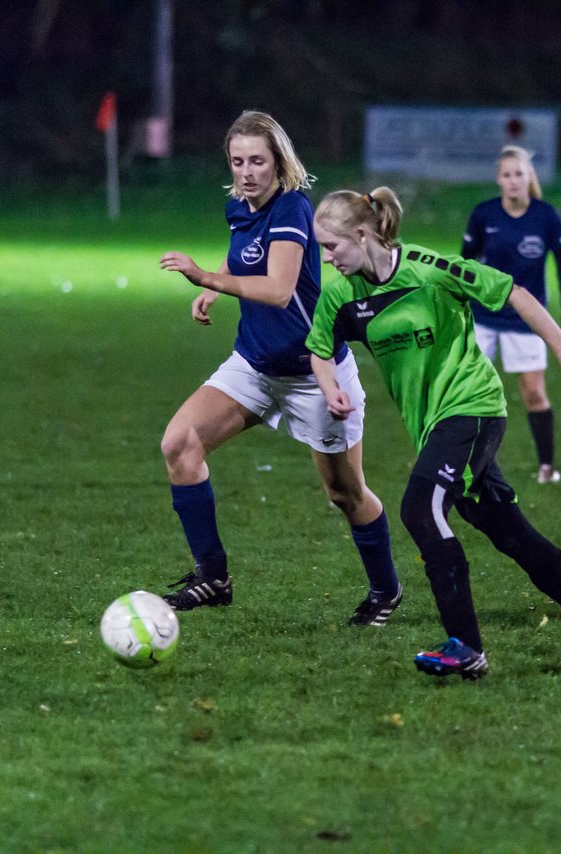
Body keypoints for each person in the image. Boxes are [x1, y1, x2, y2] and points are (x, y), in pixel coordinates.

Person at [305, 187, 561, 679]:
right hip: (432, 424)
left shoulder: (430, 269)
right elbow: (319, 348)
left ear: (363, 233)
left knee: (420, 508)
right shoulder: (341, 296)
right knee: (512, 536)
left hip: (473, 408)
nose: (327, 259)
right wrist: (330, 389)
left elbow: (515, 293)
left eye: (332, 247)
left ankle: (466, 646)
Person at [156, 111, 401, 627]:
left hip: (316, 373)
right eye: (238, 161)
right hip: (255, 364)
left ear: (279, 162)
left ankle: (385, 590)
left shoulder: (292, 207)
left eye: (258, 161)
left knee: (345, 493)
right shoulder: (239, 207)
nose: (247, 172)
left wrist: (204, 277)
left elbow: (278, 287)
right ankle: (213, 577)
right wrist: (214, 286)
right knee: (179, 444)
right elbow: (244, 254)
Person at [461, 145, 561, 485]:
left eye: (519, 174)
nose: (513, 181)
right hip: (483, 318)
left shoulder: (546, 216)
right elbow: (463, 266)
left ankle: (546, 466)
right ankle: (467, 463)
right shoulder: (483, 215)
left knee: (533, 393)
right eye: (507, 175)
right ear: (499, 179)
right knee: (469, 390)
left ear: (529, 178)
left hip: (527, 321)